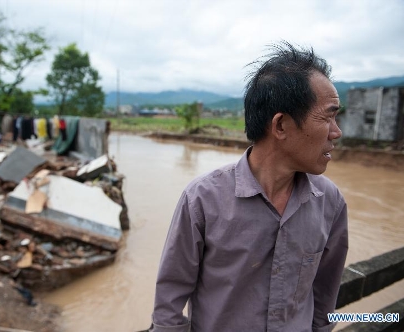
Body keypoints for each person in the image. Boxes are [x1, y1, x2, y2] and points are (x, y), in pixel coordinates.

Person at [149, 42, 348, 332]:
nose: (337, 132)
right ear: (280, 126)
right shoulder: (202, 200)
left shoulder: (330, 202)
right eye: (328, 116)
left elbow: (325, 295)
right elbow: (169, 303)